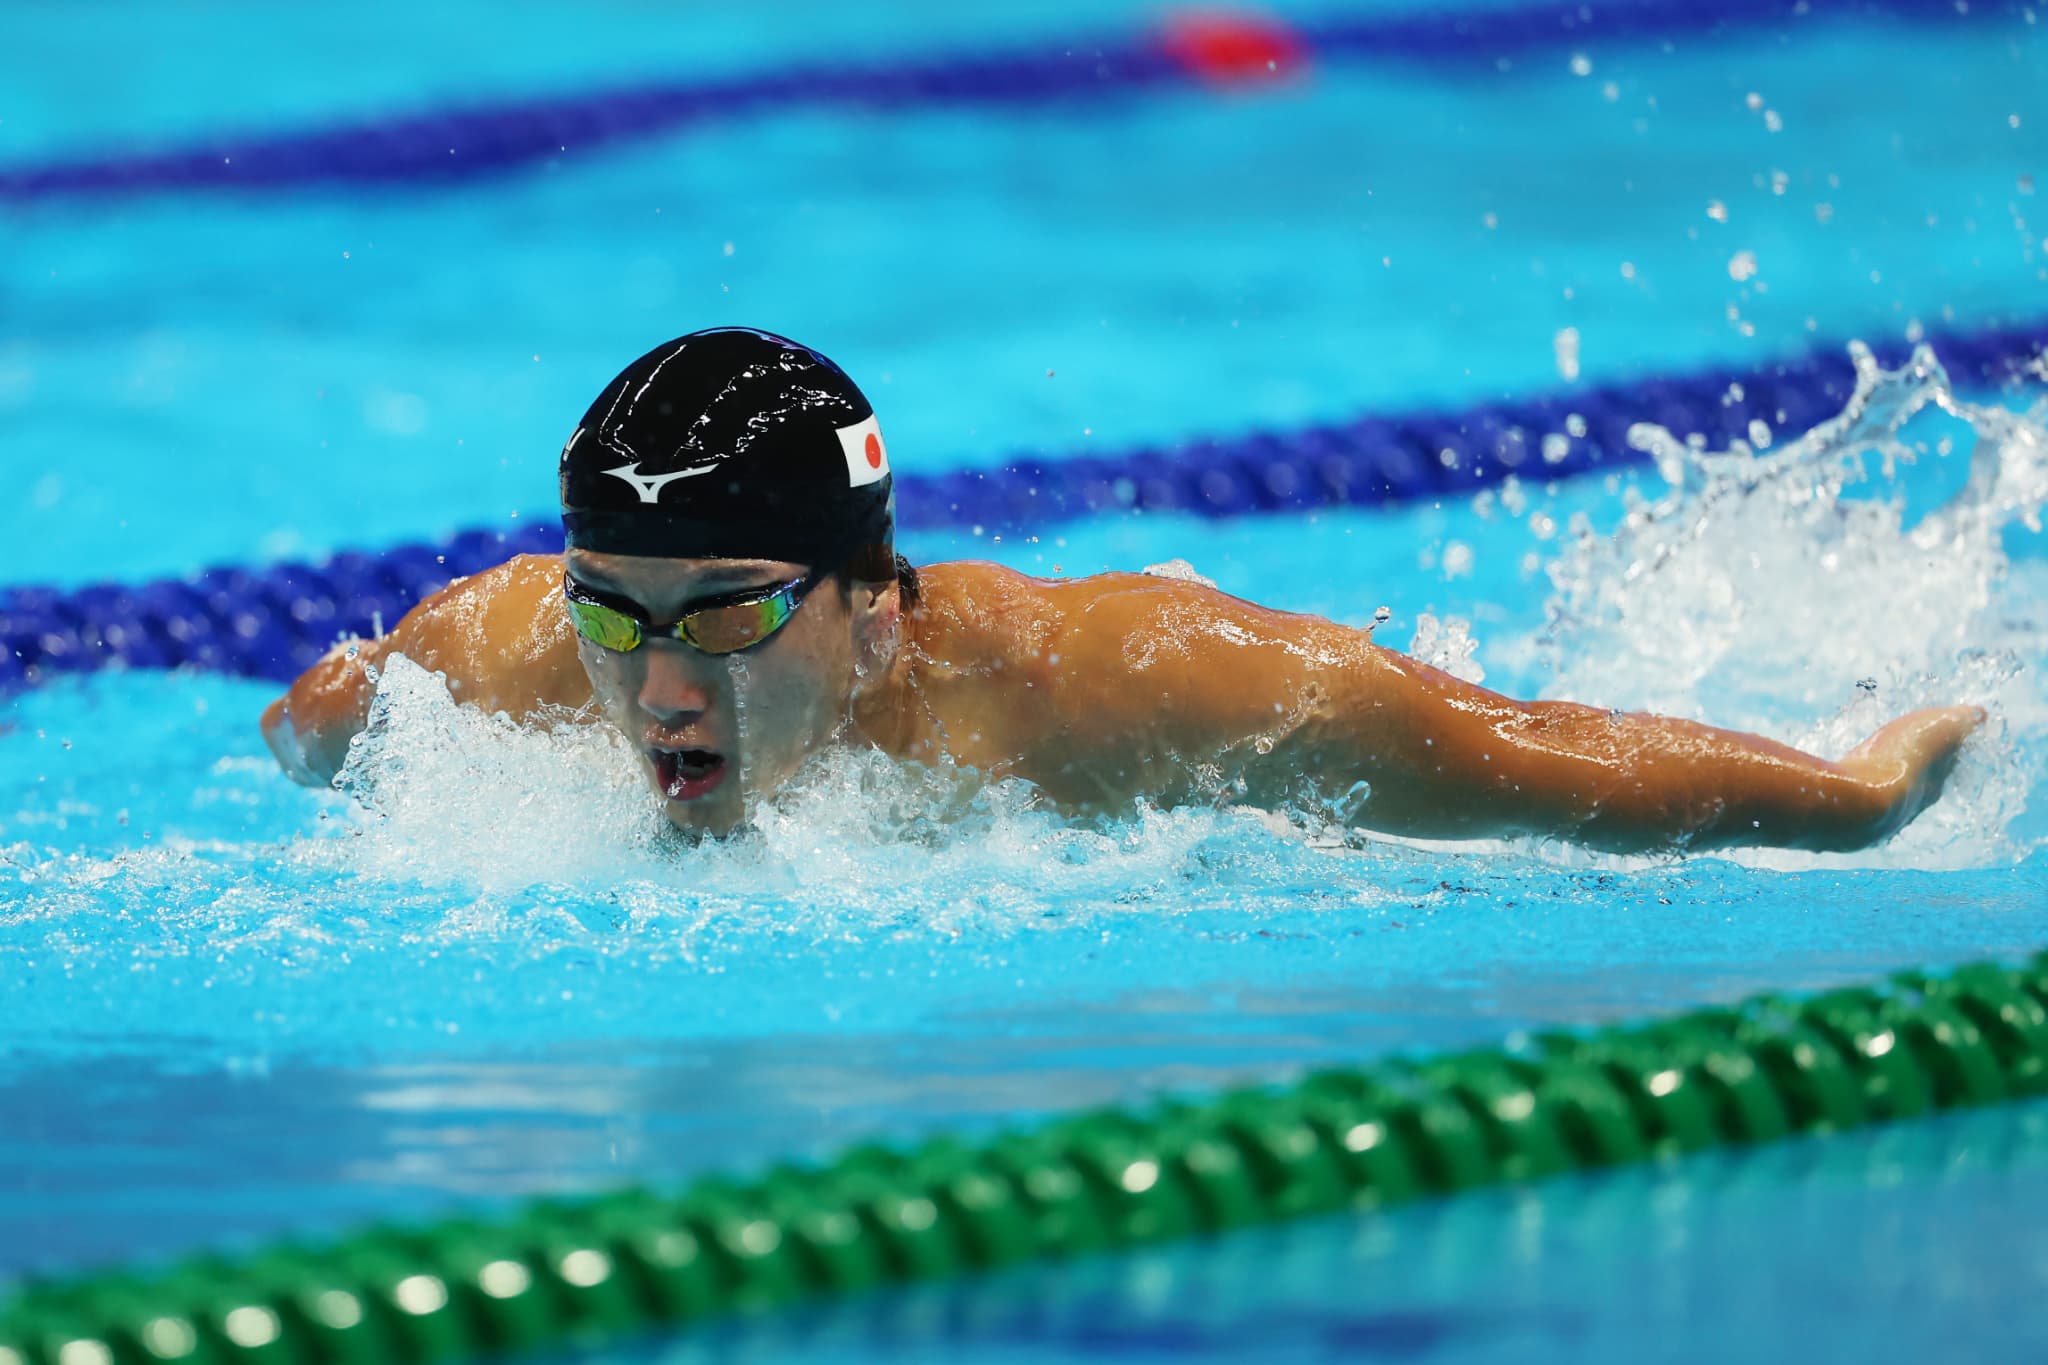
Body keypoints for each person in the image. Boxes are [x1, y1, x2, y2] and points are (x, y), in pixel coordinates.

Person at [261, 327, 1984, 853]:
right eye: (613, 610)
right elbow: (339, 708)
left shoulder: (1137, 692)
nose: (654, 684)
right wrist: (331, 722)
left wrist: (1860, 794)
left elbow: (1531, 747)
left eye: (724, 610)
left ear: (875, 595)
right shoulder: (518, 652)